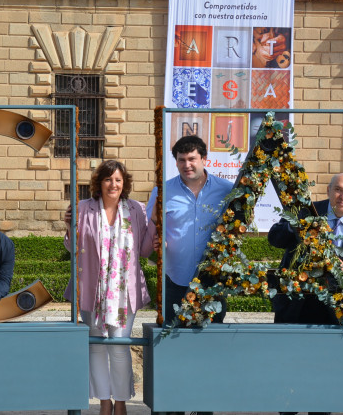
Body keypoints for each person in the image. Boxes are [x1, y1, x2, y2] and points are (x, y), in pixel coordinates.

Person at [63, 160, 156, 415]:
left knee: (119, 345)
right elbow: (71, 248)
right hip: (92, 289)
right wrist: (68, 226)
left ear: (124, 182)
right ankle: (104, 401)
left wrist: (156, 223)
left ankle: (122, 401)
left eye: (117, 179)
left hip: (124, 291)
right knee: (96, 346)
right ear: (99, 183)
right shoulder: (84, 208)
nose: (113, 184)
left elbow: (145, 250)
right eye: (107, 179)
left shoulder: (136, 209)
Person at [268, 172, 343, 325]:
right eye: (338, 190)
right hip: (296, 304)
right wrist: (296, 226)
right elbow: (274, 238)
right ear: (328, 190)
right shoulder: (306, 211)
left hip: (337, 309)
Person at [148, 135, 233, 323]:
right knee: (171, 339)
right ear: (176, 162)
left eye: (192, 159)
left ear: (204, 159)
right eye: (182, 160)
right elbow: (149, 230)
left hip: (213, 280)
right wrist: (156, 239)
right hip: (174, 280)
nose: (187, 165)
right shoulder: (162, 191)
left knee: (211, 338)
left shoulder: (227, 191)